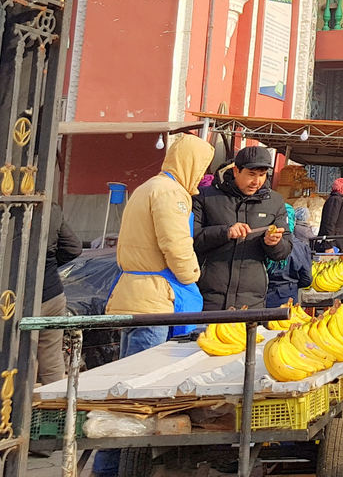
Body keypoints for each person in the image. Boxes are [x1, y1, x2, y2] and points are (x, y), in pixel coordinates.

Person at [98, 134, 215, 477]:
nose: (201, 175)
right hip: (156, 296)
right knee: (140, 390)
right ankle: (119, 467)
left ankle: (109, 465)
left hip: (137, 293)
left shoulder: (148, 187)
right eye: (202, 167)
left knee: (125, 387)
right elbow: (175, 243)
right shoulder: (171, 194)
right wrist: (192, 275)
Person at [193, 145, 292, 310]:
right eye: (251, 174)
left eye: (262, 175)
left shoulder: (275, 202)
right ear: (236, 170)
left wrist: (273, 243)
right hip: (209, 298)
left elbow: (284, 250)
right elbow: (191, 239)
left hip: (251, 301)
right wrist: (225, 232)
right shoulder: (205, 197)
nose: (257, 181)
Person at [37, 206, 82, 385]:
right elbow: (73, 248)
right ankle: (53, 408)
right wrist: (48, 266)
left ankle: (18, 409)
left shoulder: (1, 207)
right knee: (51, 355)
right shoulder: (51, 208)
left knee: (22, 355)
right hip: (53, 292)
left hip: (18, 296)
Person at [265, 204, 314, 309]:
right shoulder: (300, 247)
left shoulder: (262, 243)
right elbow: (307, 279)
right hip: (288, 296)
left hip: (260, 297)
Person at [317, 176, 343, 253]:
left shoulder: (338, 200)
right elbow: (329, 222)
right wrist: (328, 245)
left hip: (337, 241)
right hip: (334, 244)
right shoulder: (335, 200)